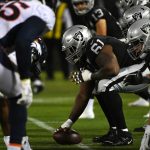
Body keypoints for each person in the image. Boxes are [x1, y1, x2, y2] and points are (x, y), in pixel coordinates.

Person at [0, 0, 55, 150]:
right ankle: (18, 145)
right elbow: (23, 41)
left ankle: (16, 143)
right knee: (18, 96)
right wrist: (25, 80)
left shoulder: (10, 9)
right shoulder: (44, 14)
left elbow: (6, 40)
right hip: (7, 60)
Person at [71, 0, 124, 119]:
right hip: (110, 48)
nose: (80, 6)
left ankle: (89, 109)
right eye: (77, 4)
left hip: (116, 48)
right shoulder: (88, 15)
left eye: (82, 3)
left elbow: (101, 37)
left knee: (93, 74)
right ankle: (88, 109)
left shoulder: (96, 12)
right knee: (94, 78)